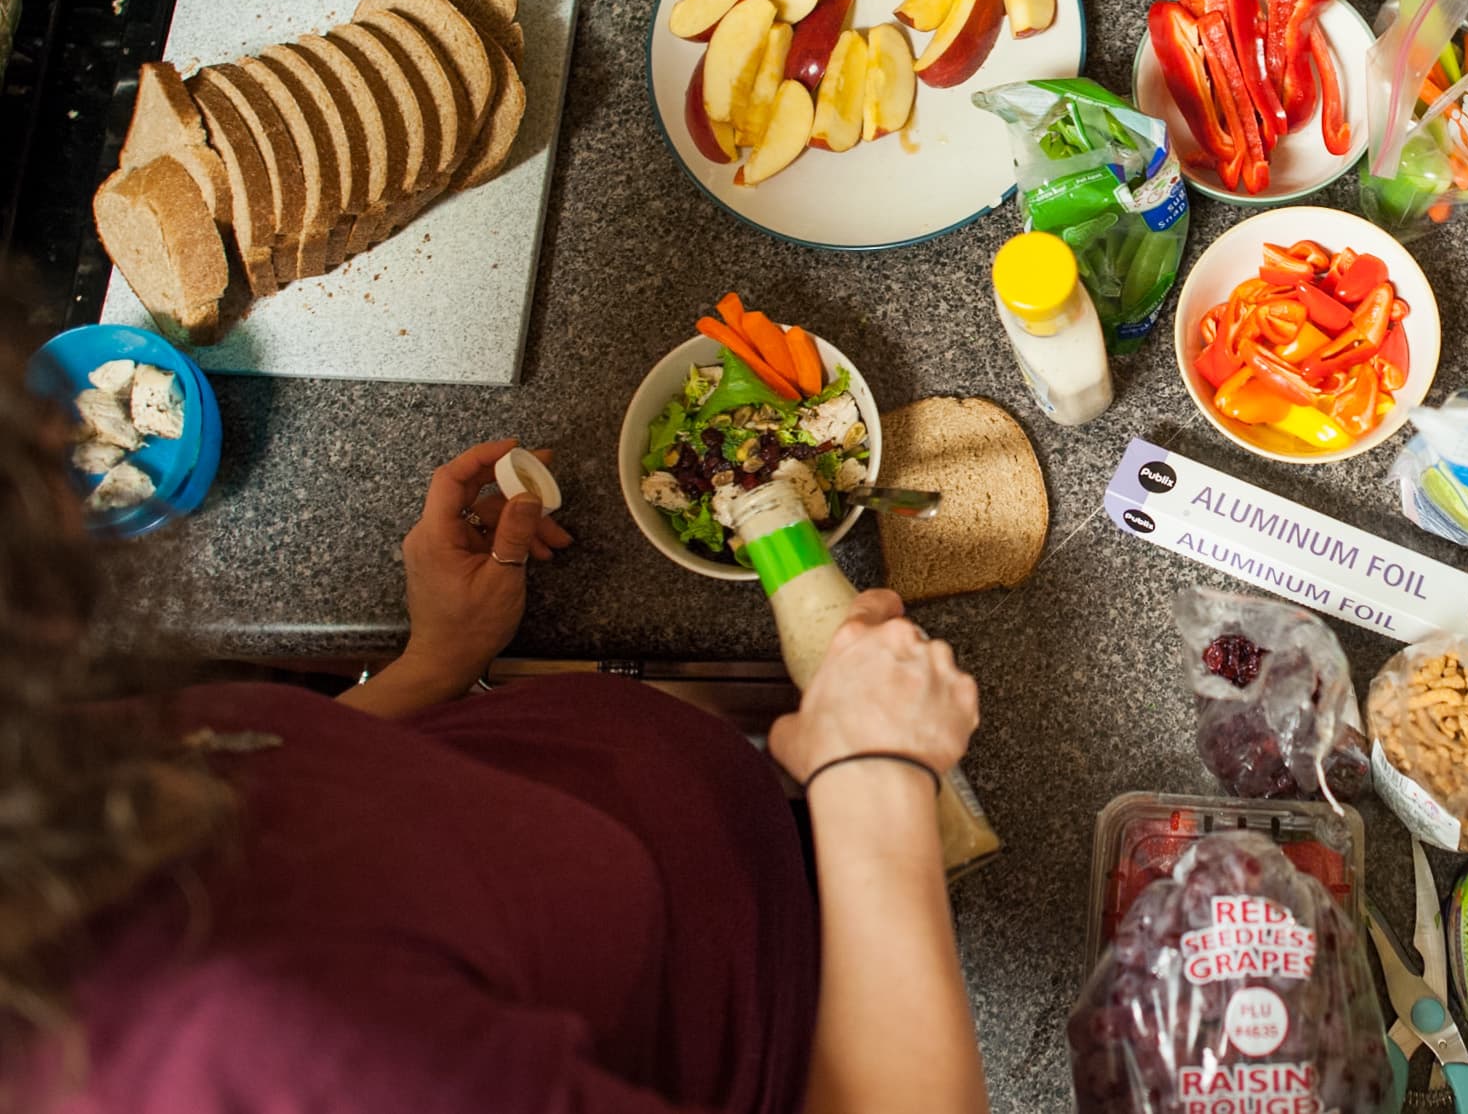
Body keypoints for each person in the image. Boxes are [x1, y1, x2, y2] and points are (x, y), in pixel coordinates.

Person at [0, 329, 988, 1113]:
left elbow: (269, 787)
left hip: (722, 873)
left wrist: (428, 665)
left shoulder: (40, 763)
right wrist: (872, 780)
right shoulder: (266, 1041)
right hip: (783, 1024)